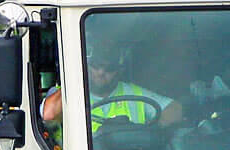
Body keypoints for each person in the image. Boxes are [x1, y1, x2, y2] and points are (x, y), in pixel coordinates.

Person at [40, 43, 181, 143]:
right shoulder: (67, 92)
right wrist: (76, 77)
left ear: (120, 71)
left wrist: (147, 132)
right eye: (95, 66)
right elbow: (49, 114)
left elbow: (175, 110)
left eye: (109, 69)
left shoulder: (133, 92)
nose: (101, 73)